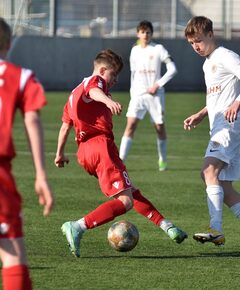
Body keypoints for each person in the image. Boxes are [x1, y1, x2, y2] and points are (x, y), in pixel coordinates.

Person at [56, 49, 186, 258]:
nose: (115, 80)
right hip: (100, 146)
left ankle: (166, 226)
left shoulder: (73, 94)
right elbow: (94, 91)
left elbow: (65, 127)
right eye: (113, 75)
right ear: (102, 70)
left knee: (130, 191)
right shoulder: (96, 82)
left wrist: (59, 154)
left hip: (86, 152)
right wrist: (108, 101)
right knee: (126, 202)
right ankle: (78, 226)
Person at [183, 16, 240, 255]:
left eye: (199, 41)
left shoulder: (225, 56)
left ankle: (215, 228)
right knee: (222, 184)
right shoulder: (207, 63)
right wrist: (202, 113)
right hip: (221, 127)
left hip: (228, 127)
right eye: (192, 43)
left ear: (211, 35)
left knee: (208, 172)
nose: (196, 47)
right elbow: (218, 97)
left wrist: (238, 102)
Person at [0, 18, 54, 290]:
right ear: (8, 45)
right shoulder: (20, 76)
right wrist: (41, 176)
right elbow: (32, 120)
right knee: (12, 256)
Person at [119, 20, 177, 171]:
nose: (145, 35)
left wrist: (157, 85)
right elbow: (133, 73)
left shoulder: (158, 49)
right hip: (138, 95)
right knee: (130, 125)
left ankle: (162, 160)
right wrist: (133, 93)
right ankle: (120, 161)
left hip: (155, 95)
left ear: (152, 34)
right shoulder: (135, 50)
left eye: (148, 32)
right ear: (138, 33)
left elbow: (172, 69)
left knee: (159, 127)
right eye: (143, 32)